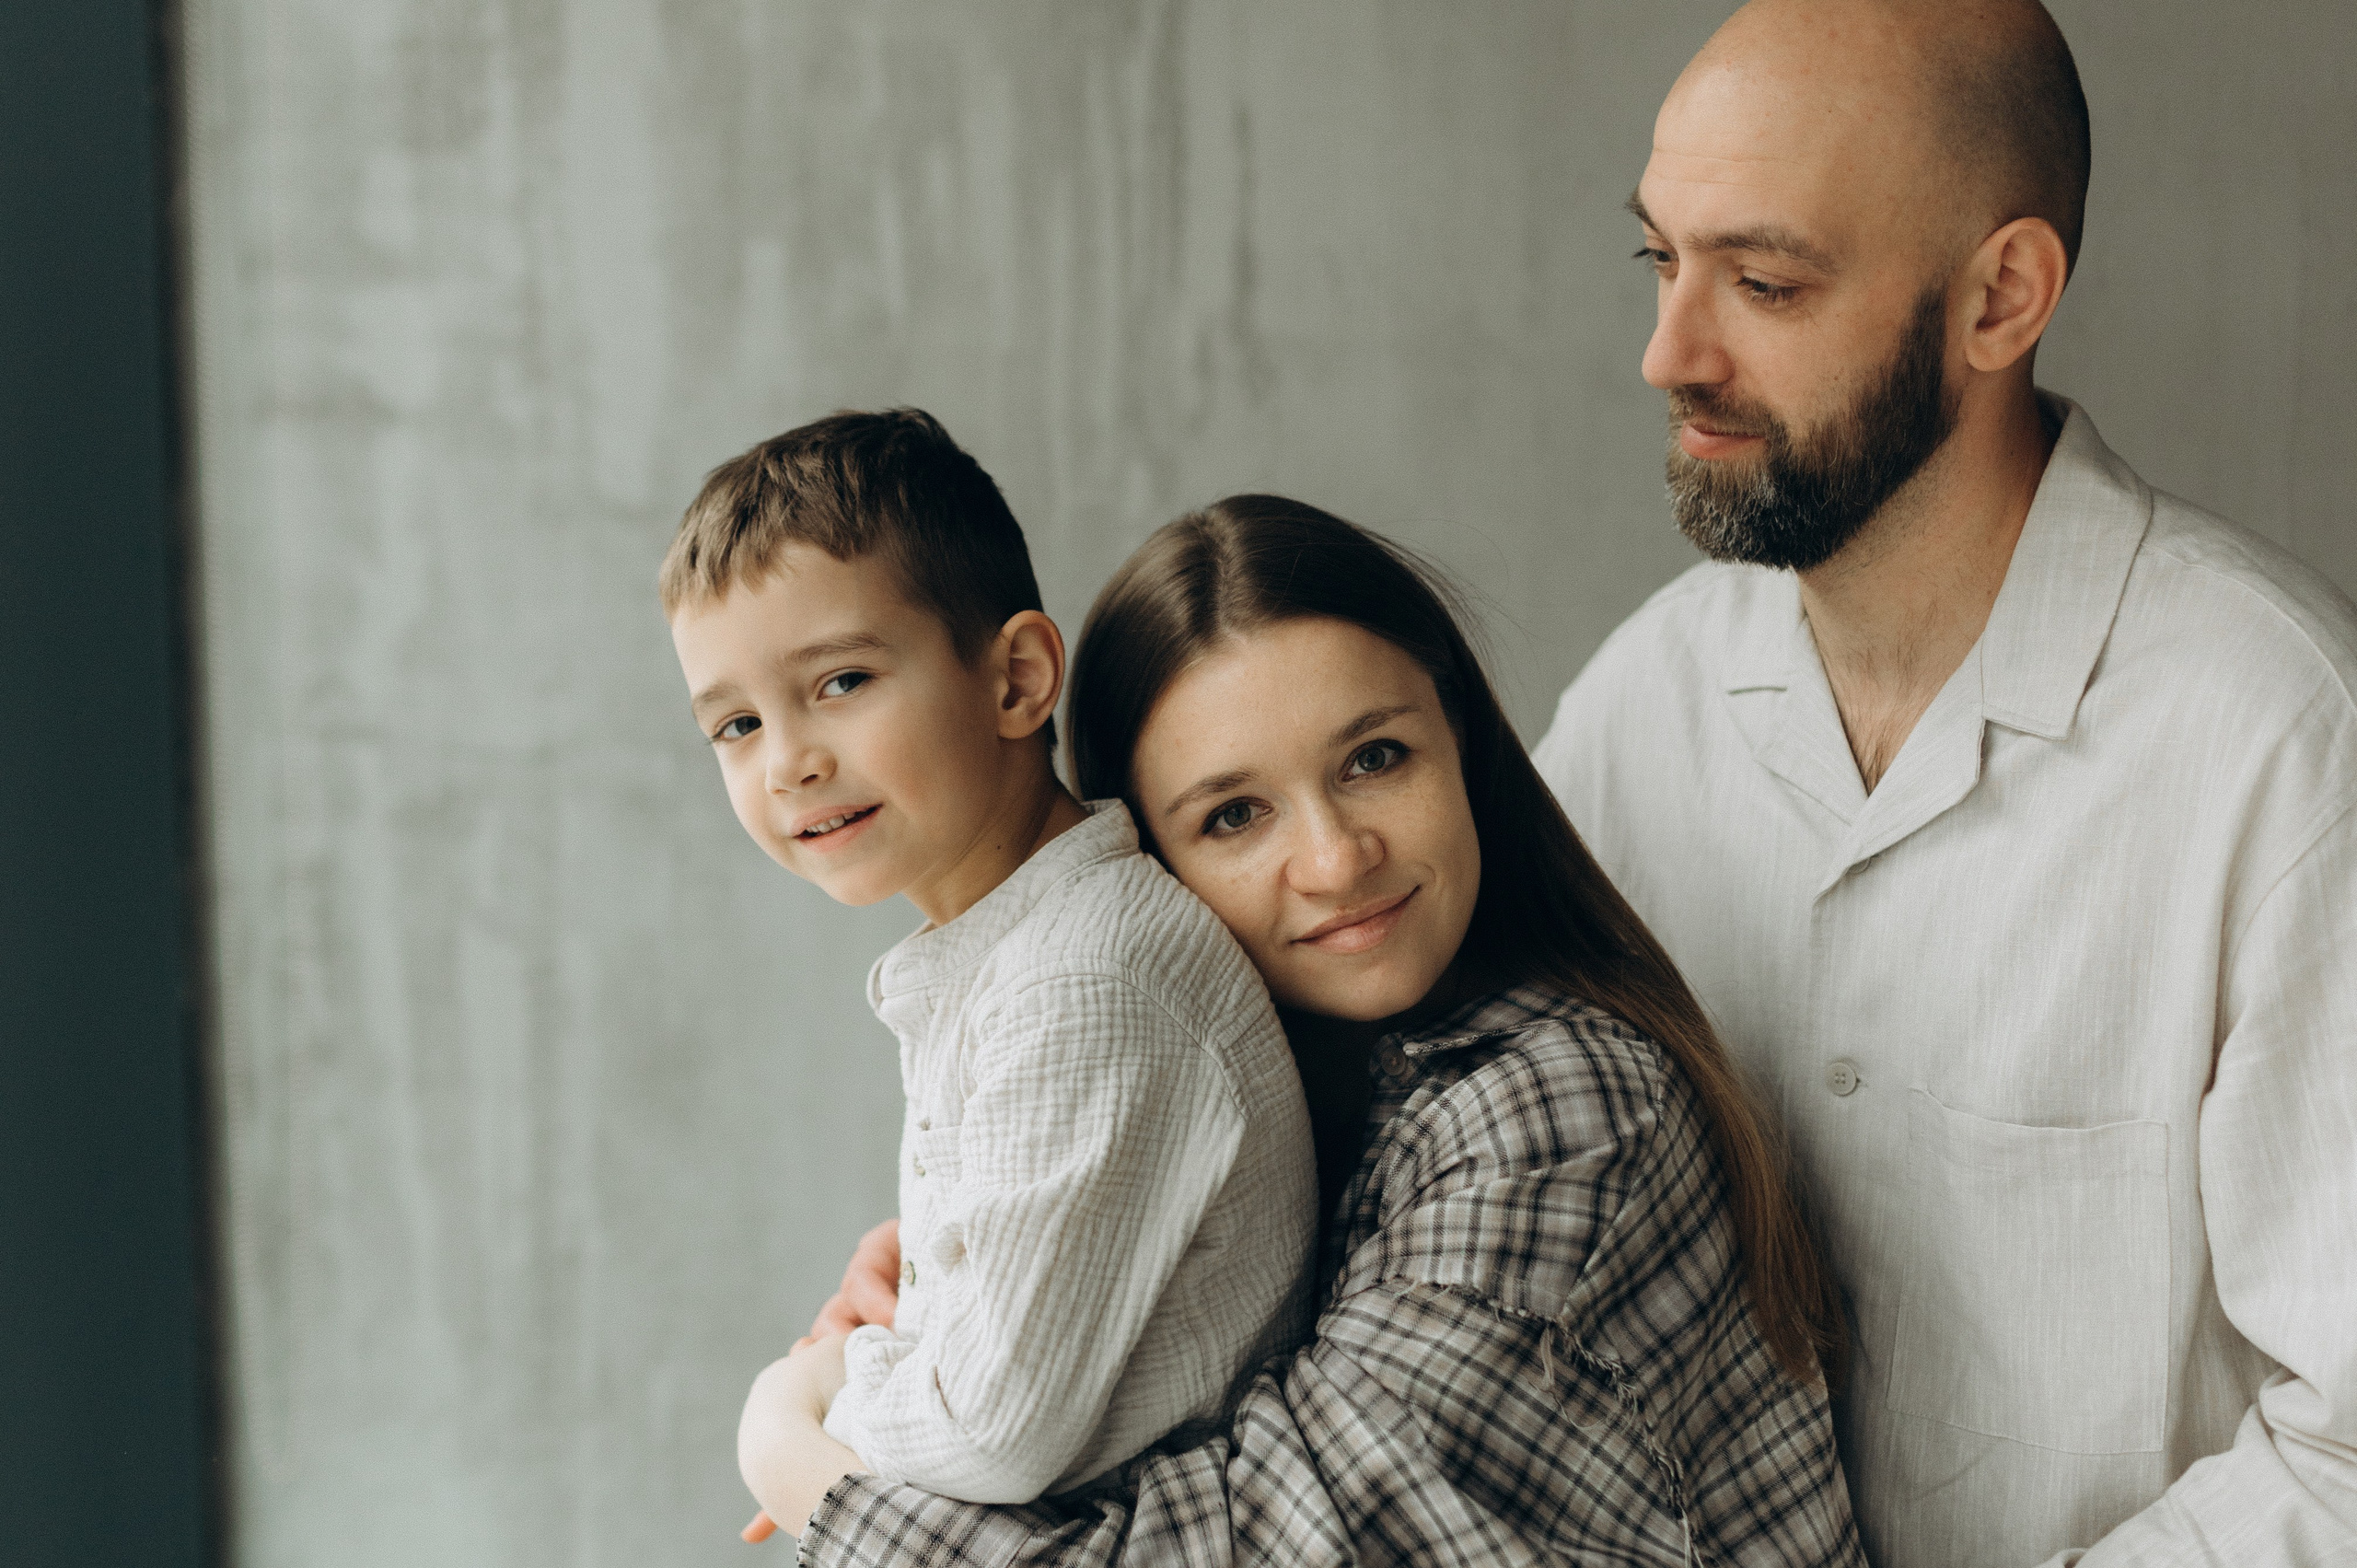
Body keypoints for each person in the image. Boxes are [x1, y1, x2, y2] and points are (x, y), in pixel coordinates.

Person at [1535, 2, 2357, 1562]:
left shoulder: (2287, 742)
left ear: (2003, 296)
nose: (1670, 353)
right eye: (1662, 259)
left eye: (1765, 281)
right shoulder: (1643, 703)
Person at [747, 495, 1865, 1564]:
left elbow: (1248, 1548)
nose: (1334, 860)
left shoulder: (1557, 1109)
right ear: (1149, 868)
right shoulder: (1287, 1087)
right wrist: (959, 1299)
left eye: (1374, 758)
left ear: (1462, 743)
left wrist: (805, 1451)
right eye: (1234, 815)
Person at [660, 412, 1318, 1527]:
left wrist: (798, 1404)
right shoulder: (1016, 961)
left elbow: (988, 1428)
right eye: (733, 724)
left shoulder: (1087, 981)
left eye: (840, 681)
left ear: (1016, 679)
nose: (788, 761)